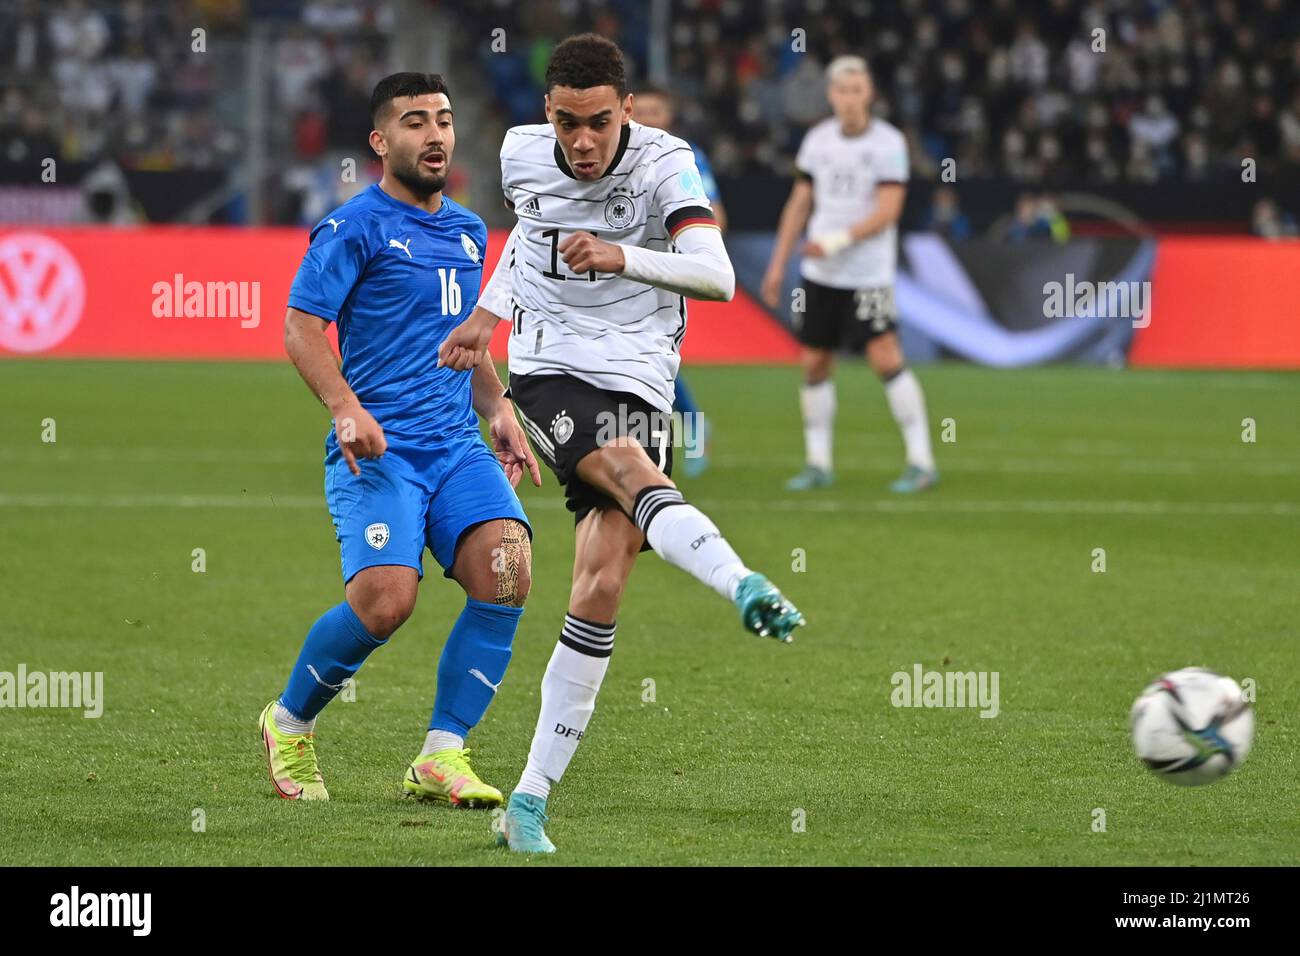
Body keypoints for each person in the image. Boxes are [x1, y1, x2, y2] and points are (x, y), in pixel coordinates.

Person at [438, 34, 804, 853]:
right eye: (567, 122)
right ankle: (741, 582)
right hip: (551, 366)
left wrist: (622, 256)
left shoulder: (666, 163)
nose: (582, 142)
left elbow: (718, 277)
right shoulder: (522, 156)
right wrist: (488, 321)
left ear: (626, 111)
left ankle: (528, 799)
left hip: (642, 374)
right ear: (547, 113)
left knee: (601, 582)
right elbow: (527, 245)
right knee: (628, 466)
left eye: (599, 122)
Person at [259, 72, 541, 808]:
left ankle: (442, 754)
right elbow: (299, 328)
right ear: (382, 142)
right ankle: (288, 721)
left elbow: (463, 341)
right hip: (378, 450)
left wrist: (499, 406)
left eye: (444, 119)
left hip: (454, 444)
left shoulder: (470, 230)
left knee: (507, 567)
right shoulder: (353, 227)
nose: (436, 134)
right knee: (386, 602)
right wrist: (345, 405)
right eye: (416, 122)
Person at [762, 55, 938, 494]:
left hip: (867, 274)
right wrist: (778, 262)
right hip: (820, 273)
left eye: (857, 90)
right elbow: (799, 203)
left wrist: (837, 240)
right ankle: (818, 463)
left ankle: (921, 460)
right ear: (831, 95)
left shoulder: (888, 143)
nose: (849, 99)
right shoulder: (818, 140)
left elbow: (888, 211)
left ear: (870, 94)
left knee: (885, 356)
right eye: (842, 91)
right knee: (815, 361)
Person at [631, 85, 725, 477]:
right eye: (645, 111)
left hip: (665, 268)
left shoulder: (686, 158)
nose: (651, 118)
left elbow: (712, 210)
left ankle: (690, 426)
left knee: (654, 348)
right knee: (643, 349)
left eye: (658, 111)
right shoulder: (624, 155)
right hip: (627, 267)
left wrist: (701, 254)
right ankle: (668, 431)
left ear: (669, 116)